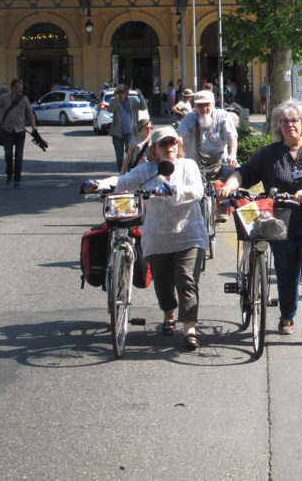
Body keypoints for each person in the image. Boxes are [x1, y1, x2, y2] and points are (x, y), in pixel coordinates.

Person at [220, 100, 302, 348]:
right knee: (286, 274)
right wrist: (230, 184)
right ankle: (287, 315)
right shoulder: (270, 154)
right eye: (284, 122)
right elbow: (245, 172)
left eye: (294, 121)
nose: (289, 126)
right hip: (280, 223)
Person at [83, 126, 208, 351]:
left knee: (186, 279)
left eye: (173, 143)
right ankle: (169, 315)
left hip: (189, 235)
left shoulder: (188, 165)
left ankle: (190, 328)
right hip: (157, 237)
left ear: (178, 146)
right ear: (154, 150)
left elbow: (197, 191)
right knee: (162, 283)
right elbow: (122, 182)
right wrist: (98, 184)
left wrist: (172, 189)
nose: (170, 147)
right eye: (164, 144)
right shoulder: (146, 170)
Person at [176, 89, 238, 183]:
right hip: (194, 164)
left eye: (207, 104)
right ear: (195, 106)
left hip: (220, 163)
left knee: (235, 176)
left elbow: (232, 137)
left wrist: (232, 155)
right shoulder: (189, 118)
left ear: (213, 104)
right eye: (200, 105)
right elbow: (178, 137)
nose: (204, 108)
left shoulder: (224, 117)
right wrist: (177, 155)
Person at [0, 78, 36, 188]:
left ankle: (17, 180)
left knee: (19, 156)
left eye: (21, 87)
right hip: (7, 130)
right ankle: (9, 174)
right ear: (13, 87)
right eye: (18, 87)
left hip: (20, 131)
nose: (20, 89)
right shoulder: (4, 98)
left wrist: (34, 128)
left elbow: (30, 113)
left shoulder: (24, 99)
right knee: (8, 155)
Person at [107, 84, 142, 171]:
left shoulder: (132, 101)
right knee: (119, 155)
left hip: (130, 132)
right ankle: (121, 173)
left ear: (126, 92)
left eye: (122, 92)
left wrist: (140, 96)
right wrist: (116, 98)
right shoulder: (115, 101)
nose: (120, 94)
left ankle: (131, 172)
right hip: (117, 133)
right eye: (118, 92)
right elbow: (110, 109)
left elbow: (143, 107)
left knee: (130, 154)